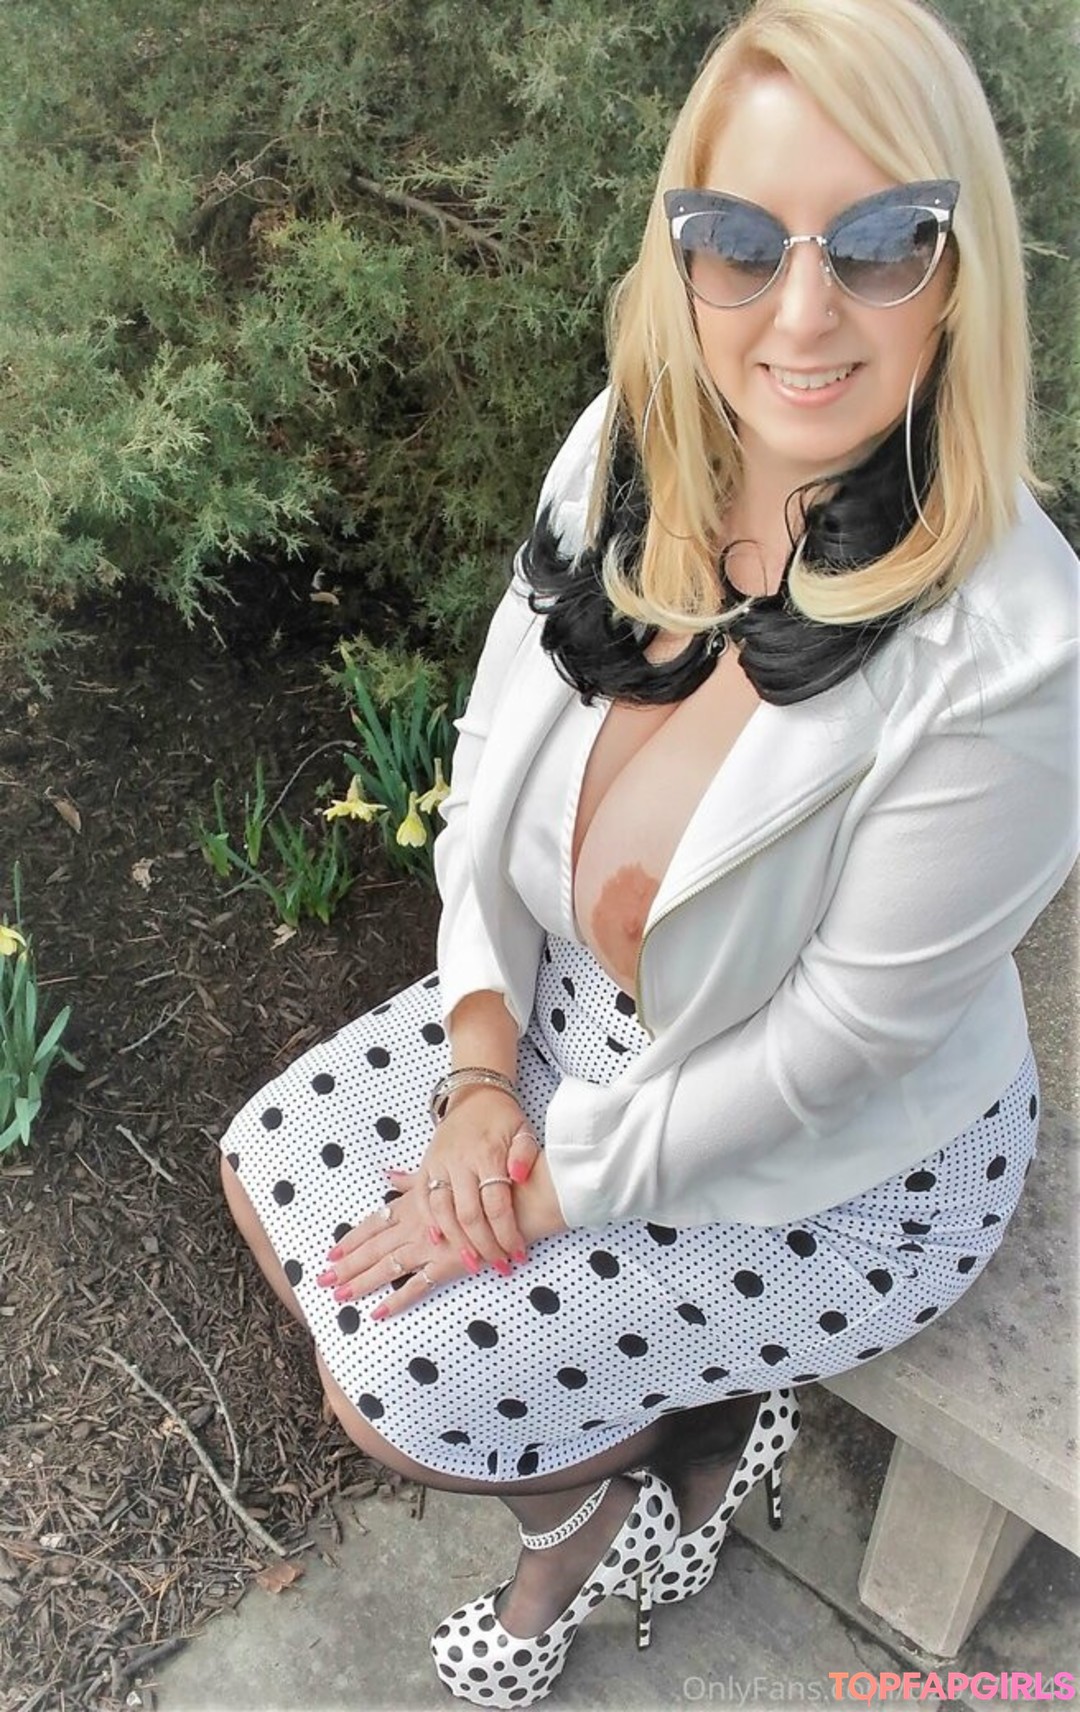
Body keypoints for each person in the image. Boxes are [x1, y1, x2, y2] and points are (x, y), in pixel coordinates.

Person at [219, 0, 1078, 1703]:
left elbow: (832, 1052)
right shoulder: (634, 438)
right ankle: (659, 1459)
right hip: (587, 1016)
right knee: (268, 1174)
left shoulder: (1016, 649)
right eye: (741, 239)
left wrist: (537, 1191)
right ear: (681, 250)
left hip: (841, 1158)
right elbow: (489, 772)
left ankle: (586, 1530)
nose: (801, 310)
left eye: (881, 240)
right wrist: (480, 1077)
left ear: (960, 264)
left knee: (398, 1386)